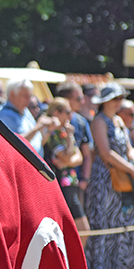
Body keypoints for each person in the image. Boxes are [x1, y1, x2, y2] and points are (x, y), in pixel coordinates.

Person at [84, 83, 134, 269]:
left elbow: (130, 148)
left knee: (131, 221)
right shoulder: (99, 121)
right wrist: (131, 168)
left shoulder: (119, 121)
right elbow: (106, 153)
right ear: (105, 102)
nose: (119, 102)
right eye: (115, 98)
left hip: (126, 180)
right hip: (106, 181)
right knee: (106, 222)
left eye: (120, 98)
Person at [42, 98, 91, 245]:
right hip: (59, 185)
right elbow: (68, 155)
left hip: (70, 184)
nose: (71, 116)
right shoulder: (50, 133)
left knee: (80, 230)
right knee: (79, 229)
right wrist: (68, 157)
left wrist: (68, 158)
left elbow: (79, 157)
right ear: (57, 113)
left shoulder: (63, 132)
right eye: (68, 112)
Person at [0, 79, 55, 156]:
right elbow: (15, 143)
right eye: (25, 96)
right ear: (12, 94)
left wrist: (49, 129)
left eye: (30, 96)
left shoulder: (24, 110)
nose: (29, 100)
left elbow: (36, 142)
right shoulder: (4, 114)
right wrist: (38, 126)